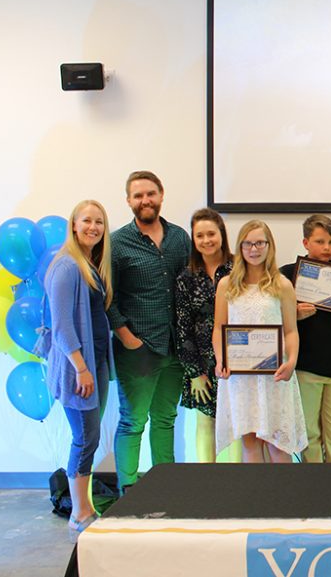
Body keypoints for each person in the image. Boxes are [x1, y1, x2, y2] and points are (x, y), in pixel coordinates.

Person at [108, 170, 190, 492]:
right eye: (138, 195)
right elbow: (107, 295)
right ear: (129, 201)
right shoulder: (117, 243)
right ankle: (126, 492)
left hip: (175, 348)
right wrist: (127, 338)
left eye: (150, 193)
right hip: (137, 350)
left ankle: (164, 489)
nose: (145, 200)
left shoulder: (180, 238)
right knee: (132, 422)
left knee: (166, 420)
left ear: (161, 195)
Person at [41, 200, 114, 541]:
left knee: (90, 436)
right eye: (87, 221)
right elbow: (62, 328)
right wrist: (82, 369)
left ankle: (84, 507)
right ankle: (80, 512)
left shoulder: (89, 264)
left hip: (93, 365)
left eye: (99, 222)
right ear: (73, 225)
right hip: (77, 370)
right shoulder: (67, 266)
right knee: (85, 438)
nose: (93, 227)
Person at [213, 220, 307, 463]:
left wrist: (292, 361)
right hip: (241, 377)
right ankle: (257, 499)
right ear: (240, 247)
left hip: (274, 375)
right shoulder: (226, 285)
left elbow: (290, 331)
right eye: (248, 244)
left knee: (278, 445)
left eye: (259, 243)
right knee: (250, 442)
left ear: (269, 246)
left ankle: (283, 499)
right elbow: (219, 327)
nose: (254, 249)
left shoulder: (282, 285)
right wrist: (221, 359)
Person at [279, 215, 331, 463]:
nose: (327, 248)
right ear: (305, 242)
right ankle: (313, 490)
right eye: (320, 241)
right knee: (309, 434)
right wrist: (294, 313)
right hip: (305, 367)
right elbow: (272, 314)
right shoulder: (287, 275)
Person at [174, 208, 235, 463]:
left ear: (221, 234)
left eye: (211, 233)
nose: (206, 240)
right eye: (200, 235)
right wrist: (195, 373)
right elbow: (182, 327)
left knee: (236, 424)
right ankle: (207, 485)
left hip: (238, 359)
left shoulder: (240, 268)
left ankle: (237, 486)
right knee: (206, 421)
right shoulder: (186, 277)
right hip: (201, 363)